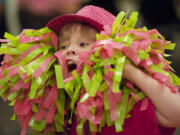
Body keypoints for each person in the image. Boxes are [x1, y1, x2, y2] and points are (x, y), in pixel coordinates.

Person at [47, 5, 180, 135]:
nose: (69, 50)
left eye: (83, 44)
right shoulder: (67, 115)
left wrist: (131, 72)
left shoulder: (133, 105)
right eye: (63, 46)